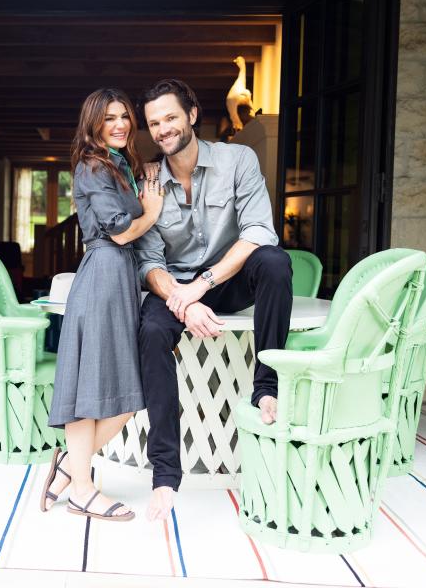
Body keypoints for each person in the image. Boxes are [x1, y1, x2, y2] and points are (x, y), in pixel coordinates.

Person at [134, 79, 293, 521]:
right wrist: (183, 299)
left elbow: (259, 231)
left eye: (170, 117)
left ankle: (267, 387)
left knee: (275, 262)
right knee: (150, 331)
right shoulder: (147, 182)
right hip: (174, 288)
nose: (163, 128)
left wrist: (201, 286)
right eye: (154, 123)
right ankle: (165, 473)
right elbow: (147, 262)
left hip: (227, 278)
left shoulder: (237, 159)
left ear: (191, 115)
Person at [42, 88, 164, 522]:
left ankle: (69, 470)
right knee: (91, 388)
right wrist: (151, 211)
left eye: (125, 116)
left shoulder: (118, 167)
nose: (119, 124)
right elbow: (118, 231)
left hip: (119, 279)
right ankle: (83, 488)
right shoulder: (93, 167)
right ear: (92, 124)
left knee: (124, 393)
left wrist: (144, 184)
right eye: (109, 117)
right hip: (104, 273)